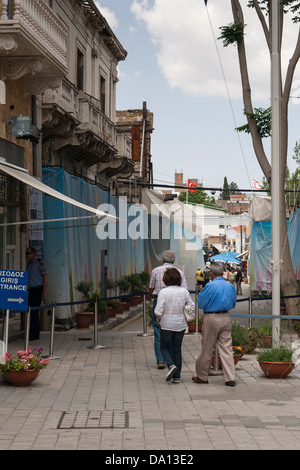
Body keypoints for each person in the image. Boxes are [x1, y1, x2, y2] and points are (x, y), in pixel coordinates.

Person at [192, 263, 237, 387]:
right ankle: (230, 377)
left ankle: (202, 376)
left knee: (207, 347)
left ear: (211, 274)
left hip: (212, 316)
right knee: (227, 348)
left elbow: (201, 303)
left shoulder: (210, 286)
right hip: (225, 316)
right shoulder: (229, 285)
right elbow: (233, 303)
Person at [149, 250, 188, 369]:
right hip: (176, 302)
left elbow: (151, 287)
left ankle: (161, 359)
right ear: (174, 261)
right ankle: (171, 358)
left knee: (158, 330)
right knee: (173, 330)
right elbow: (185, 288)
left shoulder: (155, 271)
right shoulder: (179, 272)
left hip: (158, 300)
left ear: (163, 260)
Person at [155, 268, 194, 383]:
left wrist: (158, 320)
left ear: (165, 279)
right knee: (177, 349)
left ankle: (171, 365)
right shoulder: (184, 292)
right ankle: (177, 377)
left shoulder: (163, 292)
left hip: (166, 323)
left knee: (164, 347)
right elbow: (191, 306)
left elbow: (158, 311)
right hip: (180, 324)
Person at [25, 246, 48, 340]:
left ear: (34, 254)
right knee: (30, 312)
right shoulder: (28, 264)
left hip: (37, 289)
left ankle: (34, 334)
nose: (26, 255)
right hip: (30, 290)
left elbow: (46, 277)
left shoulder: (39, 263)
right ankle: (32, 332)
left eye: (28, 253)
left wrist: (44, 292)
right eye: (26, 253)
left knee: (34, 312)